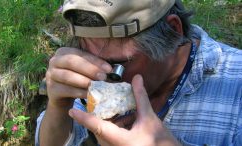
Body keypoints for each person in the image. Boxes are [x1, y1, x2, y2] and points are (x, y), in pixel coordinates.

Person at [35, 0, 242, 145]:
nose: (104, 80)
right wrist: (58, 108)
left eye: (117, 66)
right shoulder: (95, 80)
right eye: (88, 58)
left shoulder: (236, 85)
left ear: (173, 32)